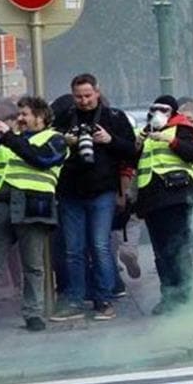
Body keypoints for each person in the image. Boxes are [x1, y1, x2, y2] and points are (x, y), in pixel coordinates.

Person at [0, 97, 66, 334]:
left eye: (25, 114)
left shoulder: (55, 139)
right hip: (3, 204)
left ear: (41, 117)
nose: (20, 119)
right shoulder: (10, 140)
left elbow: (41, 159)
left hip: (34, 205)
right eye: (19, 114)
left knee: (32, 266)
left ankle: (33, 314)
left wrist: (8, 137)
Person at [52, 74, 137, 322]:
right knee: (73, 250)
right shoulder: (65, 118)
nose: (84, 101)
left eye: (88, 96)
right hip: (70, 191)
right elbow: (49, 146)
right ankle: (75, 299)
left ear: (98, 93)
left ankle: (104, 299)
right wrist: (64, 142)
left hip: (102, 190)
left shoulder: (114, 118)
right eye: (79, 97)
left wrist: (110, 140)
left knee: (100, 246)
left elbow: (132, 151)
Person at [134, 95, 193, 314]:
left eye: (164, 110)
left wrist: (169, 140)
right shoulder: (144, 133)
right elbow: (131, 158)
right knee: (161, 252)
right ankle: (169, 296)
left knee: (178, 248)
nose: (158, 113)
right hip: (151, 198)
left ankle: (185, 295)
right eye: (154, 109)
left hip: (176, 196)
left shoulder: (182, 128)